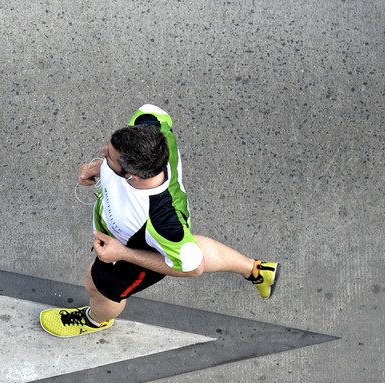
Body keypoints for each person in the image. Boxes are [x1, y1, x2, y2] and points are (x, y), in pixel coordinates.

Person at [40, 104, 278, 337]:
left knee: (99, 288)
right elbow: (154, 111)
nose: (103, 151)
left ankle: (94, 320)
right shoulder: (151, 122)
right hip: (165, 235)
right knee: (187, 248)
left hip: (132, 253)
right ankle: (256, 270)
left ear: (132, 176)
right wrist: (101, 166)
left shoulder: (161, 224)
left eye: (109, 156)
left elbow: (193, 268)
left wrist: (123, 254)